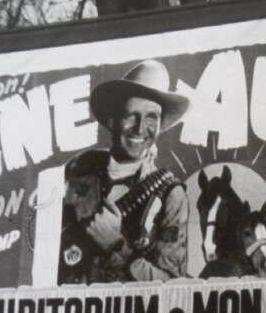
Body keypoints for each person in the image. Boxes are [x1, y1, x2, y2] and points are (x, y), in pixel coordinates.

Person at [58, 59, 190, 284]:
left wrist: (116, 246)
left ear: (159, 127)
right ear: (112, 120)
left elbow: (172, 287)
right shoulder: (78, 170)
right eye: (132, 115)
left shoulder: (170, 194)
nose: (140, 128)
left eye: (151, 118)